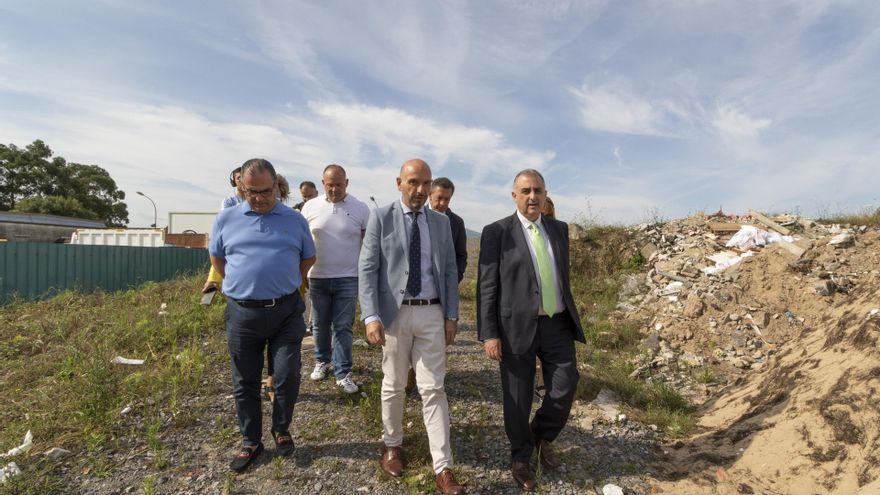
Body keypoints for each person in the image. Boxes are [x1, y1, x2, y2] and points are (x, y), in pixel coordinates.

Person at [358, 159, 465, 495]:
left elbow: (449, 270)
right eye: (413, 182)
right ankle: (392, 445)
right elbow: (367, 268)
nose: (420, 190)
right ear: (399, 182)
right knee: (393, 383)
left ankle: (443, 467)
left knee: (434, 389)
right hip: (394, 315)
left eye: (426, 183)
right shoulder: (380, 217)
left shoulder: (440, 222)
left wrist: (451, 315)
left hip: (432, 313)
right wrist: (371, 316)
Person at [476, 169, 585, 491]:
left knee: (565, 385)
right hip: (515, 327)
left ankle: (540, 436)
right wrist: (489, 332)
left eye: (537, 190)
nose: (532, 196)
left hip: (557, 323)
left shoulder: (558, 229)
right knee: (517, 398)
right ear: (514, 196)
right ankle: (521, 456)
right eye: (525, 191)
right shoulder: (497, 232)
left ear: (545, 193)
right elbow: (487, 286)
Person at [209, 158, 316, 472]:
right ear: (242, 186)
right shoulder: (226, 218)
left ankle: (281, 428)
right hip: (243, 314)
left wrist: (282, 283)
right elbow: (217, 259)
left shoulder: (294, 220)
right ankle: (250, 441)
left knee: (287, 374)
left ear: (277, 186)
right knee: (245, 381)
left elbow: (307, 258)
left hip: (285, 311)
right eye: (252, 191)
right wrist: (246, 286)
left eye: (266, 191)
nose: (259, 197)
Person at [301, 164, 370, 394]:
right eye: (330, 185)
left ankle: (343, 373)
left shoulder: (360, 209)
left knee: (343, 327)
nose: (334, 189)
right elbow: (301, 242)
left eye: (339, 184)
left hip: (348, 277)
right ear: (323, 184)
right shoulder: (309, 207)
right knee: (319, 325)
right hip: (318, 277)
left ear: (347, 183)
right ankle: (322, 361)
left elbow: (368, 243)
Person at [428, 177, 467, 283]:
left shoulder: (457, 223)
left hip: (444, 284)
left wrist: (454, 279)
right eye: (439, 198)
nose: (442, 203)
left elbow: (461, 256)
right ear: (429, 195)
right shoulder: (416, 217)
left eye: (447, 199)